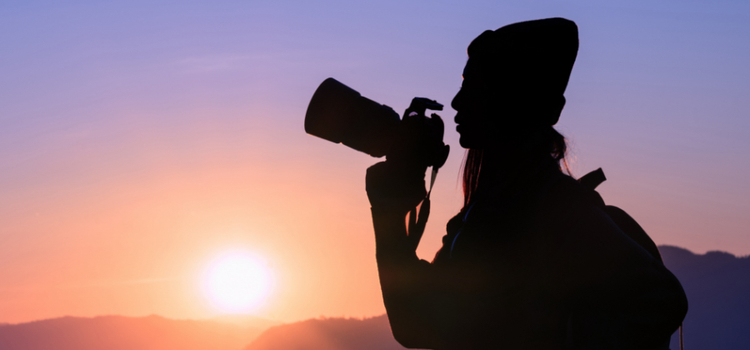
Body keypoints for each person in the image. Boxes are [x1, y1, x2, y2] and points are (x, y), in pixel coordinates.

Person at [365, 18, 687, 350]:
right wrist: (394, 199)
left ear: (512, 98)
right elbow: (416, 321)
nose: (458, 101)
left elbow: (663, 298)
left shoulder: (558, 212)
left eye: (472, 86)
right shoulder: (485, 213)